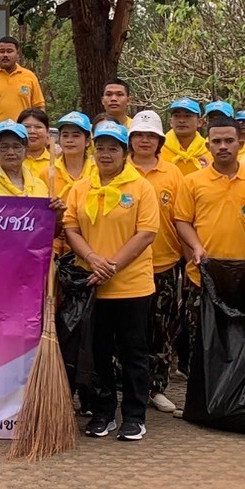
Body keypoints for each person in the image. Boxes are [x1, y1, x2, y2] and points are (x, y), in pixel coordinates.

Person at [63, 120, 158, 442]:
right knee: (97, 353)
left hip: (132, 286)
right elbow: (71, 228)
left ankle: (134, 416)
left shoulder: (141, 187)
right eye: (100, 148)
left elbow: (146, 233)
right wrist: (92, 259)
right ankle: (104, 412)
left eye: (113, 149)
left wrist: (112, 266)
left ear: (125, 152)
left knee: (134, 353)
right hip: (92, 285)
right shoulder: (81, 188)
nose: (106, 154)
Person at [171, 114, 245, 360]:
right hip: (202, 275)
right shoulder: (192, 182)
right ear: (208, 144)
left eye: (229, 141)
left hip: (244, 275)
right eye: (216, 141)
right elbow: (182, 220)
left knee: (239, 342)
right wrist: (196, 246)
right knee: (200, 341)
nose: (223, 146)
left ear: (240, 143)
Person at [127, 110, 186, 415]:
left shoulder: (173, 173)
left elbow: (182, 218)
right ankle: (126, 385)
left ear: (160, 141)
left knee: (162, 328)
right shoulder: (119, 170)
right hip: (125, 266)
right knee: (127, 330)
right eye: (139, 135)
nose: (144, 140)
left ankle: (157, 386)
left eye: (151, 136)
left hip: (164, 263)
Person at [0, 121, 51, 198]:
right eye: (4, 147)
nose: (10, 152)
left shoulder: (40, 186)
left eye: (16, 147)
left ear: (26, 151)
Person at [52, 112, 95, 199]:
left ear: (87, 141)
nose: (69, 140)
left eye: (76, 136)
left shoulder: (97, 171)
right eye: (65, 135)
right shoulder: (48, 172)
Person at [162, 97, 210, 175]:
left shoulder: (208, 150)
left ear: (199, 122)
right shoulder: (158, 149)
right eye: (177, 116)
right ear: (171, 122)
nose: (181, 120)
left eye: (187, 116)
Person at [19, 108, 53, 184]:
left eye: (38, 127)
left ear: (48, 132)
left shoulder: (55, 163)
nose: (32, 131)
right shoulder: (10, 161)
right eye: (27, 127)